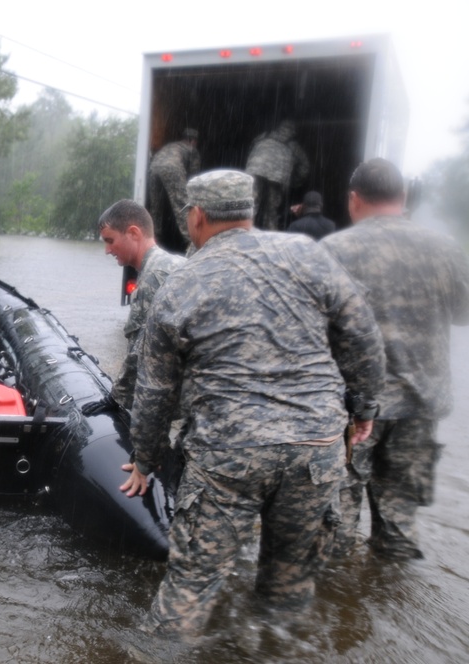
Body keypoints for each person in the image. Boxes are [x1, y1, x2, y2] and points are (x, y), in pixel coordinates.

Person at [120, 169, 385, 639]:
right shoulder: (308, 256)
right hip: (316, 448)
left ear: (197, 216)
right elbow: (362, 336)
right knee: (288, 589)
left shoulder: (182, 281)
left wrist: (144, 460)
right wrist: (363, 409)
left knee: (190, 588)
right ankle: (276, 646)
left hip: (228, 454)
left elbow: (155, 391)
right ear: (250, 211)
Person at [321, 158, 469, 560]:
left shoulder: (334, 251)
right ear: (403, 198)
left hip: (352, 412)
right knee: (399, 533)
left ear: (354, 200)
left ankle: (339, 611)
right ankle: (392, 596)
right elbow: (462, 314)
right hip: (421, 407)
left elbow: (310, 330)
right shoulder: (444, 248)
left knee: (336, 531)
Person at [97, 199, 186, 411]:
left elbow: (141, 349)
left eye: (110, 240)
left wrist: (116, 398)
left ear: (134, 234)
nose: (107, 250)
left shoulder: (154, 276)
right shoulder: (171, 264)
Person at [246, 119, 310, 230]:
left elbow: (251, 148)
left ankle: (245, 231)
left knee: (250, 205)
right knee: (271, 210)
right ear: (294, 132)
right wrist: (295, 182)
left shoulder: (264, 136)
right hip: (277, 177)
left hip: (255, 169)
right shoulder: (293, 146)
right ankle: (271, 234)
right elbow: (305, 167)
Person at [146, 128, 201, 253]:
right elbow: (193, 178)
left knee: (156, 208)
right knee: (183, 206)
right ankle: (192, 244)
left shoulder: (171, 146)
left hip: (154, 167)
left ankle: (153, 242)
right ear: (193, 141)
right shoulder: (191, 150)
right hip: (172, 168)